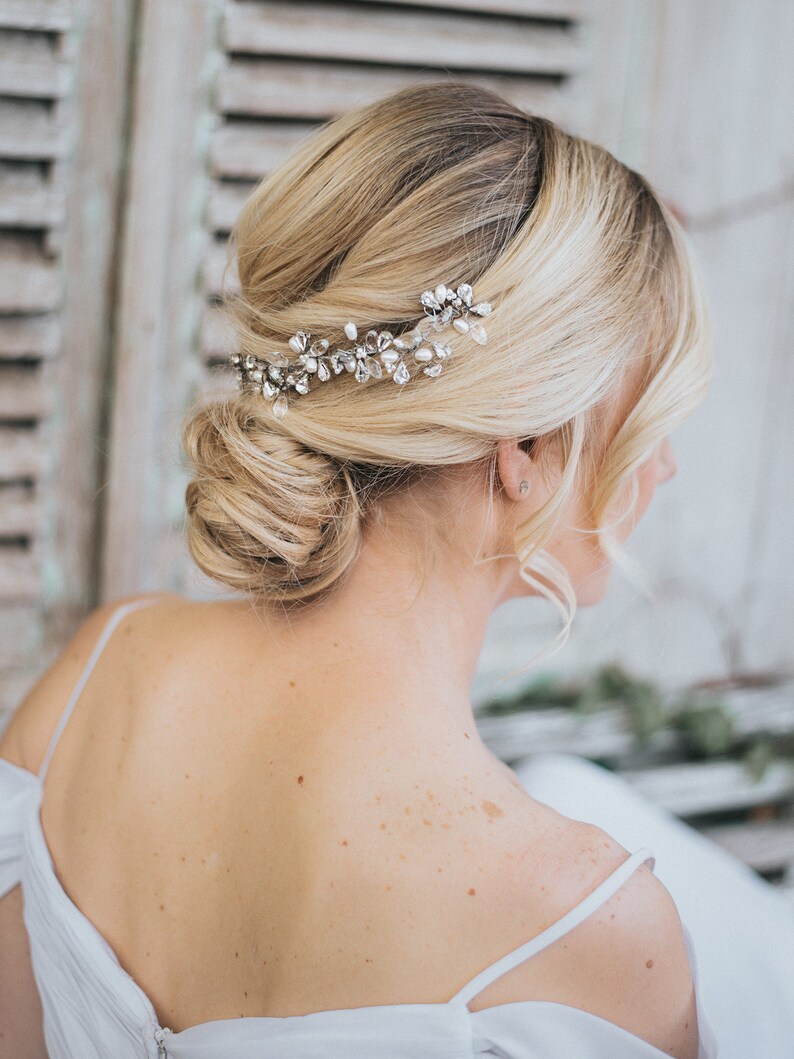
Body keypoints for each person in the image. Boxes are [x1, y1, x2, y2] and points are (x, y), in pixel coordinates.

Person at [0, 81, 724, 1057]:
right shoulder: (589, 931)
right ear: (528, 441)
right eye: (647, 413)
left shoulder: (95, 671)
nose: (665, 463)